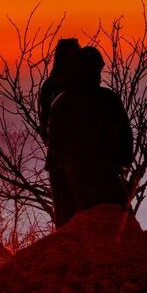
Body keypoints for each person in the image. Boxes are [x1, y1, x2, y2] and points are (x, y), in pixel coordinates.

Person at [47, 46, 133, 220]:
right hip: (100, 175)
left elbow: (55, 144)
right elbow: (124, 136)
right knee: (116, 221)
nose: (98, 76)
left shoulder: (63, 102)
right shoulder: (107, 99)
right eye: (95, 71)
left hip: (77, 174)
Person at [39, 38, 81, 227]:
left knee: (64, 212)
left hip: (56, 158)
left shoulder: (49, 86)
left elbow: (44, 126)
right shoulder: (78, 88)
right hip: (78, 159)